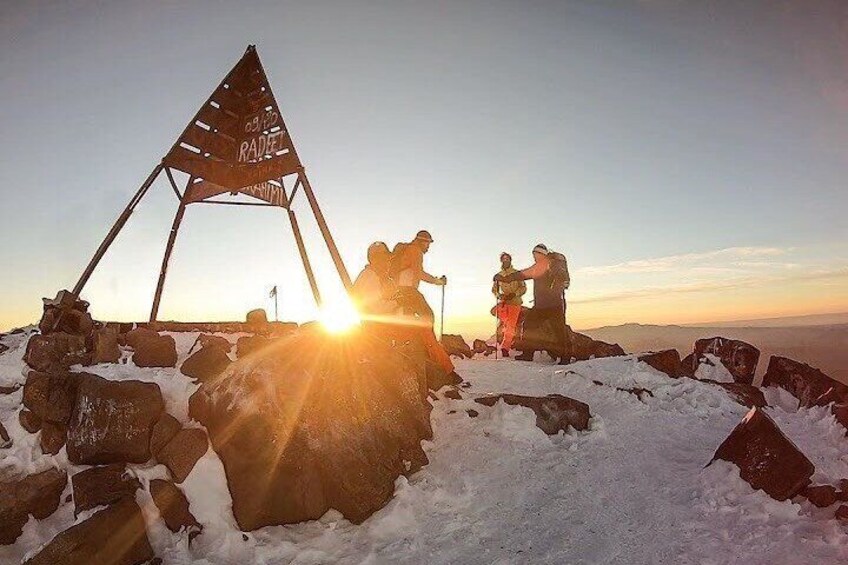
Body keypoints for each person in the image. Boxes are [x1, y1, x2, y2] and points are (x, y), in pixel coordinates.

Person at [388, 230, 454, 375]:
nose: (428, 247)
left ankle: (409, 350)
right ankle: (431, 351)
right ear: (422, 242)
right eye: (428, 244)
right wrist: (438, 281)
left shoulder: (406, 250)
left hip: (398, 291)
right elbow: (419, 273)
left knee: (407, 321)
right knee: (427, 317)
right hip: (409, 291)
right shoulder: (415, 251)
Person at [494, 243, 571, 364]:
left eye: (535, 254)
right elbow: (522, 274)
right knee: (554, 330)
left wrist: (505, 278)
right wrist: (504, 278)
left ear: (541, 254)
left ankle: (531, 354)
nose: (534, 256)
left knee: (551, 330)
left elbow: (522, 274)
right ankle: (561, 357)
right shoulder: (540, 266)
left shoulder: (546, 265)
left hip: (550, 306)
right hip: (548, 305)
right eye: (533, 254)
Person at [491, 252, 526, 357]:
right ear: (501, 261)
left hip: (515, 302)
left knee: (510, 325)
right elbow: (494, 289)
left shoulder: (517, 274)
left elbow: (523, 288)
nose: (505, 260)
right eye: (503, 259)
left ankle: (505, 348)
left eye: (507, 259)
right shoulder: (499, 275)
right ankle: (507, 337)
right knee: (496, 314)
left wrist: (515, 294)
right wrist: (499, 295)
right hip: (504, 302)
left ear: (510, 260)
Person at [351, 241, 397, 320]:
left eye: (389, 259)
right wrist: (398, 302)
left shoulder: (380, 277)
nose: (389, 262)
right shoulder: (370, 276)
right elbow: (376, 308)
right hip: (376, 326)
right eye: (385, 259)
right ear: (375, 259)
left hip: (380, 323)